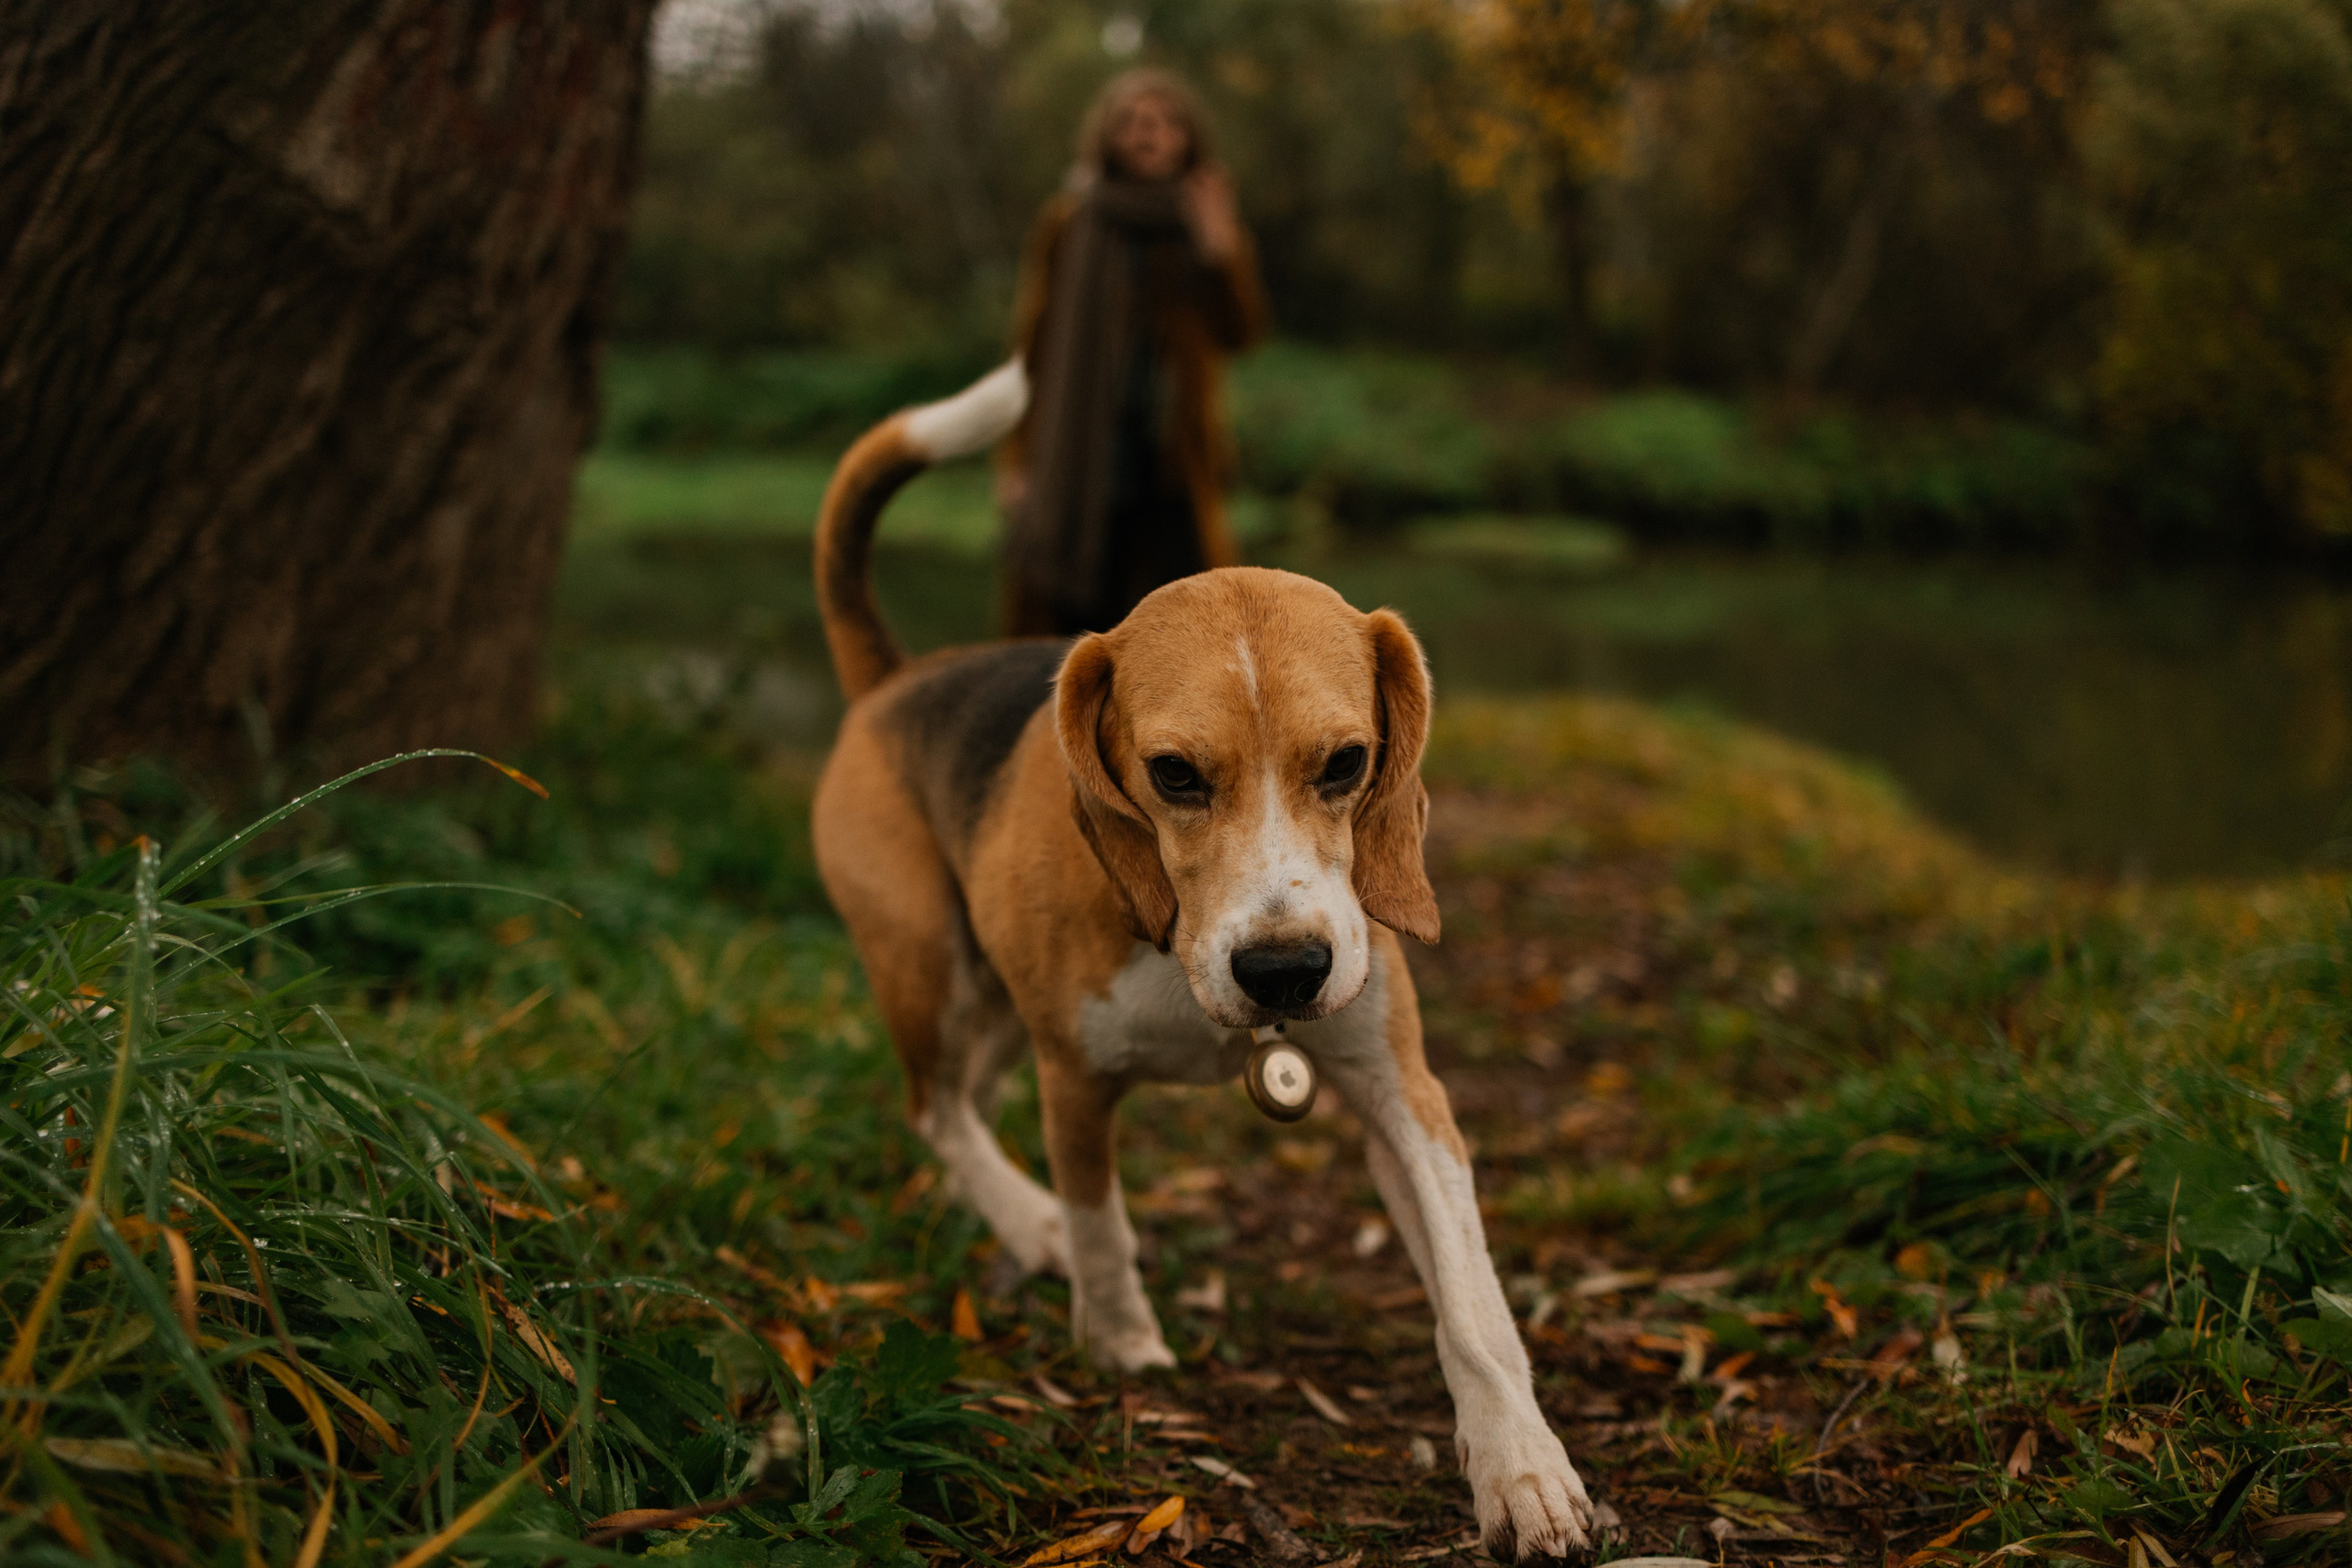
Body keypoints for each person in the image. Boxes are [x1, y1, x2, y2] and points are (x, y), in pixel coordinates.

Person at [997, 69, 1268, 637]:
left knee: (1182, 631)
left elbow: (1242, 333)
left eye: (1169, 123)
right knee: (1069, 632)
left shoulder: (1204, 221)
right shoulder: (1071, 221)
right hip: (1080, 455)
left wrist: (1220, 252)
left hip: (1170, 461)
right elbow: (1033, 348)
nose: (1152, 134)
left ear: (1189, 139)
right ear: (1109, 134)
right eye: (1136, 122)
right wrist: (1017, 460)